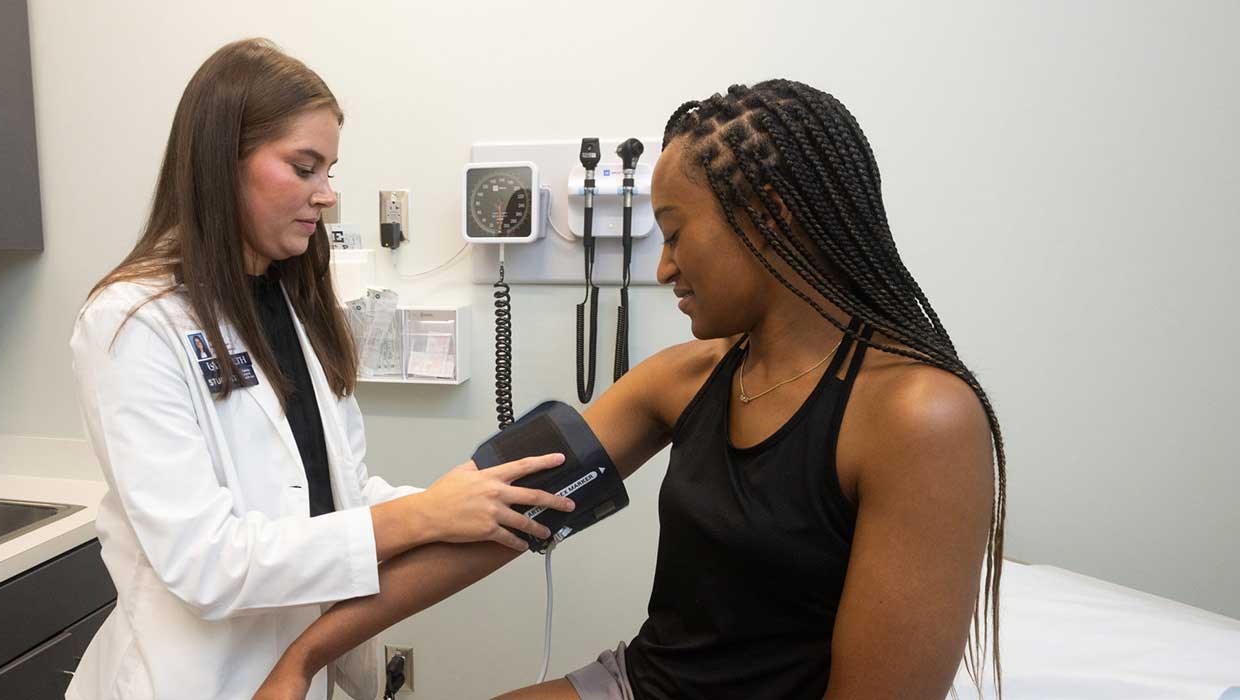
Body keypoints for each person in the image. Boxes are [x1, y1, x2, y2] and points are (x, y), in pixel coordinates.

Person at [254, 79, 1007, 700]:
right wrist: (308, 655)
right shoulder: (688, 378)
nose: (663, 267)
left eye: (676, 234)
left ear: (770, 221)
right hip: (640, 686)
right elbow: (498, 520)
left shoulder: (921, 418)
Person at [65, 38, 574, 700]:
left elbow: (332, 495)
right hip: (196, 680)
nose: (327, 195)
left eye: (330, 170)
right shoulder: (131, 323)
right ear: (224, 163)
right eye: (304, 168)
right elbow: (208, 562)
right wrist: (424, 520)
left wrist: (450, 501)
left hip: (301, 669)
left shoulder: (291, 302)